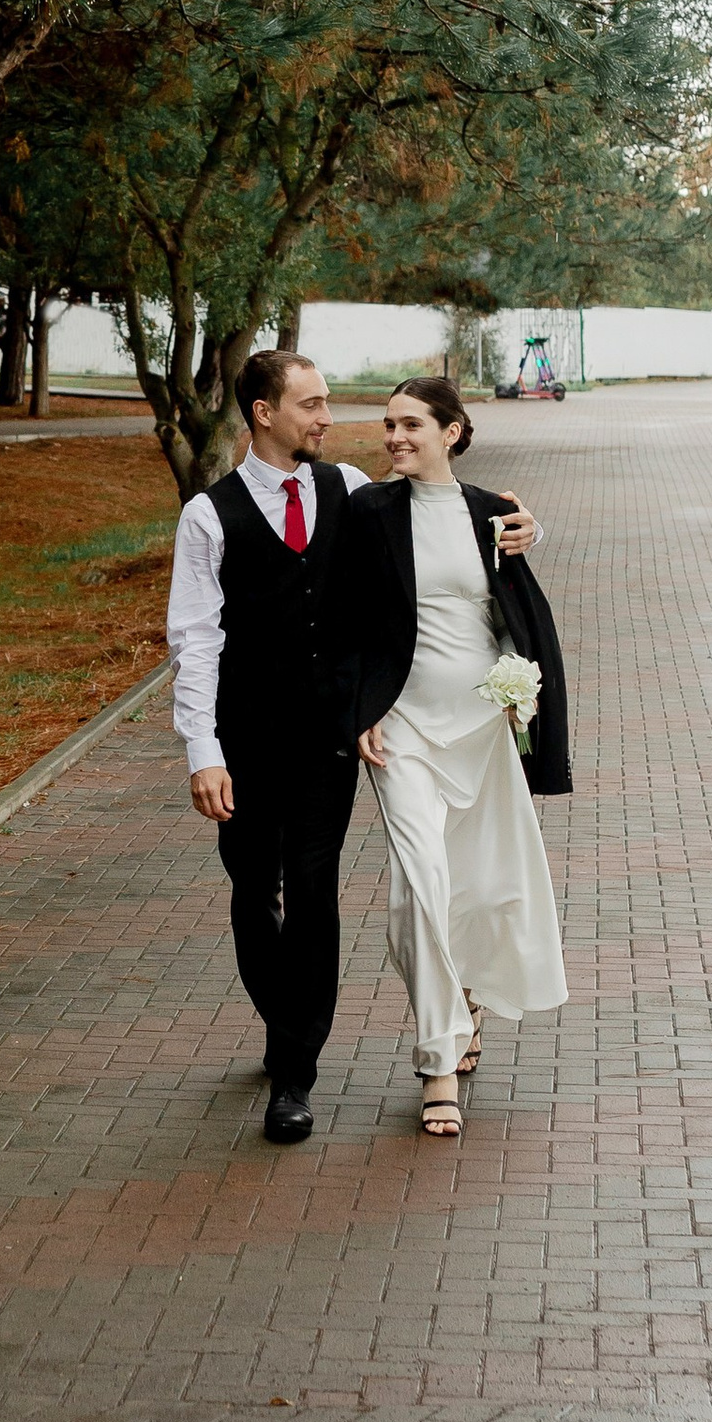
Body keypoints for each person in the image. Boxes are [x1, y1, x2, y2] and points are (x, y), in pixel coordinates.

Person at [166, 349, 539, 1143]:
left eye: (328, 402)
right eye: (312, 404)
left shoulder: (353, 494)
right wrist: (203, 748)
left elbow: (441, 519)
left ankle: (295, 1070)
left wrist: (520, 524)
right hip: (245, 735)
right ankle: (286, 1014)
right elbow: (194, 640)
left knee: (312, 893)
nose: (329, 418)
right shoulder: (209, 515)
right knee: (250, 893)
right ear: (264, 413)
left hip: (331, 737)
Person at [331, 372, 568, 1139]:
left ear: (452, 431)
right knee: (416, 889)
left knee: (485, 885)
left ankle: (462, 992)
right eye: (388, 425)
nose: (395, 437)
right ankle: (439, 1061)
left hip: (481, 727)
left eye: (411, 425)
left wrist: (516, 685)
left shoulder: (493, 514)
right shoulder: (367, 509)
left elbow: (511, 613)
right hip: (402, 729)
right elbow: (342, 622)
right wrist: (357, 708)